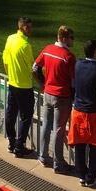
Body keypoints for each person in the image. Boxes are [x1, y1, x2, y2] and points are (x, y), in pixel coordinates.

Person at [34, 26, 77, 173]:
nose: (73, 40)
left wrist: (42, 84)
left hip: (48, 93)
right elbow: (73, 81)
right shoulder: (68, 57)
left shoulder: (47, 49)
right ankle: (58, 163)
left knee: (46, 125)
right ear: (64, 38)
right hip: (62, 97)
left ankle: (43, 156)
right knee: (58, 130)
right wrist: (73, 97)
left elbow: (35, 68)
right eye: (71, 37)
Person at [69, 39, 96, 188]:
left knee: (79, 144)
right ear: (95, 51)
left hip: (78, 111)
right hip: (93, 112)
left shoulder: (78, 64)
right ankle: (91, 177)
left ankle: (82, 175)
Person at [2, 18, 37, 158]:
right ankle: (19, 146)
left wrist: (9, 73)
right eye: (28, 27)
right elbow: (32, 67)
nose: (31, 30)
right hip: (24, 86)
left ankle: (11, 142)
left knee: (11, 114)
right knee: (26, 116)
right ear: (22, 27)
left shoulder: (10, 38)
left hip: (12, 84)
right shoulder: (25, 45)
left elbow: (4, 58)